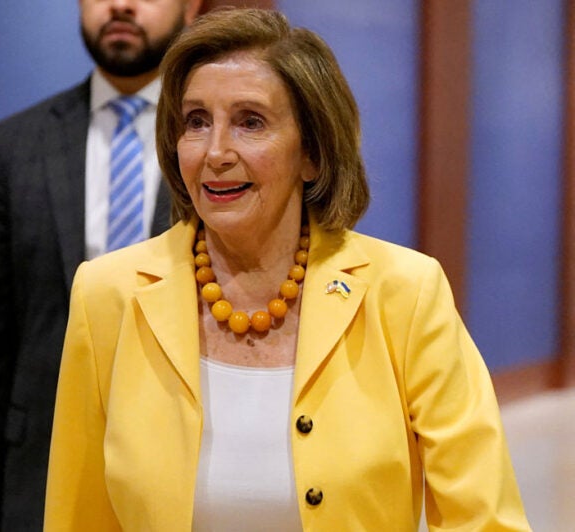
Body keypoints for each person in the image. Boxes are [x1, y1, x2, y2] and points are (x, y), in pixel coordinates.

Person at [45, 8, 530, 531]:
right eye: (196, 121)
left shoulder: (406, 293)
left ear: (312, 153)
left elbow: (483, 518)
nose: (215, 152)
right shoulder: (107, 294)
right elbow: (79, 516)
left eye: (250, 122)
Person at [0, 1, 203, 529]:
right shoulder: (16, 145)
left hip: (187, 475)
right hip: (38, 476)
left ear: (192, 7)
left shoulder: (218, 151)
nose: (121, 5)